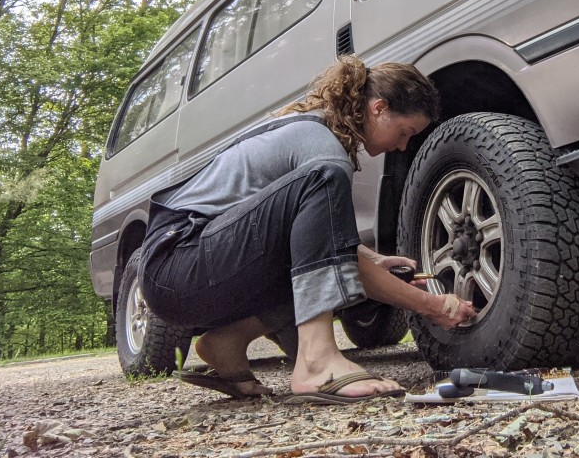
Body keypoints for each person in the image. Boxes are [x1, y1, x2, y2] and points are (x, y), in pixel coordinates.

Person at [138, 56, 476, 403]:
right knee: (326, 184)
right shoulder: (322, 147)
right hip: (177, 261)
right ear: (379, 108)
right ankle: (317, 363)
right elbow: (336, 260)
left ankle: (227, 342)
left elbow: (313, 242)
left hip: (188, 267)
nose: (403, 145)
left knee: (328, 258)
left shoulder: (315, 134)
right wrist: (432, 305)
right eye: (405, 133)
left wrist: (373, 258)